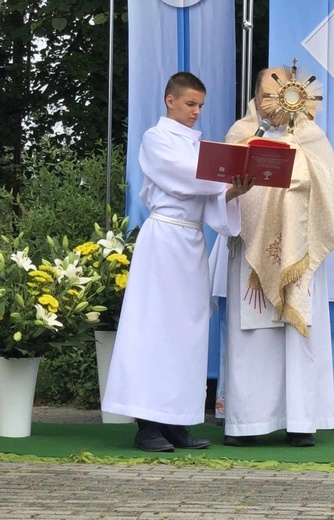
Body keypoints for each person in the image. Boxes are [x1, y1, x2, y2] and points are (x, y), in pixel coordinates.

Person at [102, 72, 254, 452]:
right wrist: (224, 178)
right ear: (170, 100)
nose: (196, 112)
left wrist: (236, 188)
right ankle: (147, 424)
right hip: (163, 239)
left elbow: (208, 201)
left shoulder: (197, 146)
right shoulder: (156, 139)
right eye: (190, 104)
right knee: (154, 327)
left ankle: (177, 421)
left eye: (200, 106)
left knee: (188, 331)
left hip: (190, 241)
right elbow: (186, 179)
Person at [209, 67, 334, 447]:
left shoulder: (313, 139)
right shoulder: (240, 134)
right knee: (253, 335)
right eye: (267, 94)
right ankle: (247, 423)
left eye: (281, 93)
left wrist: (298, 166)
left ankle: (301, 421)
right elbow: (219, 186)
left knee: (296, 337)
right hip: (252, 252)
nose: (274, 103)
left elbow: (333, 193)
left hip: (300, 256)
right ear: (256, 98)